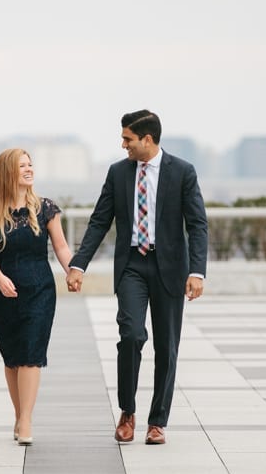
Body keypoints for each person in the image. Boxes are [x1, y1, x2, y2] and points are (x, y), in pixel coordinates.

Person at [66, 110, 208, 445]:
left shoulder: (183, 172)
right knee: (130, 334)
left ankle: (157, 422)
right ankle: (127, 411)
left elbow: (198, 224)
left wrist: (197, 272)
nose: (123, 144)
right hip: (132, 266)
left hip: (170, 268)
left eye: (128, 138)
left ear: (147, 139)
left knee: (166, 347)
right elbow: (99, 221)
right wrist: (78, 264)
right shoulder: (118, 173)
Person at [0, 148, 73, 446]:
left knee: (32, 353)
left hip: (40, 290)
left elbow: (60, 246)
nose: (29, 169)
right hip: (3, 291)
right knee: (12, 358)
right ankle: (19, 415)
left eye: (30, 164)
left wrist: (73, 270)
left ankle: (27, 419)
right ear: (8, 172)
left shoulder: (45, 208)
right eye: (22, 166)